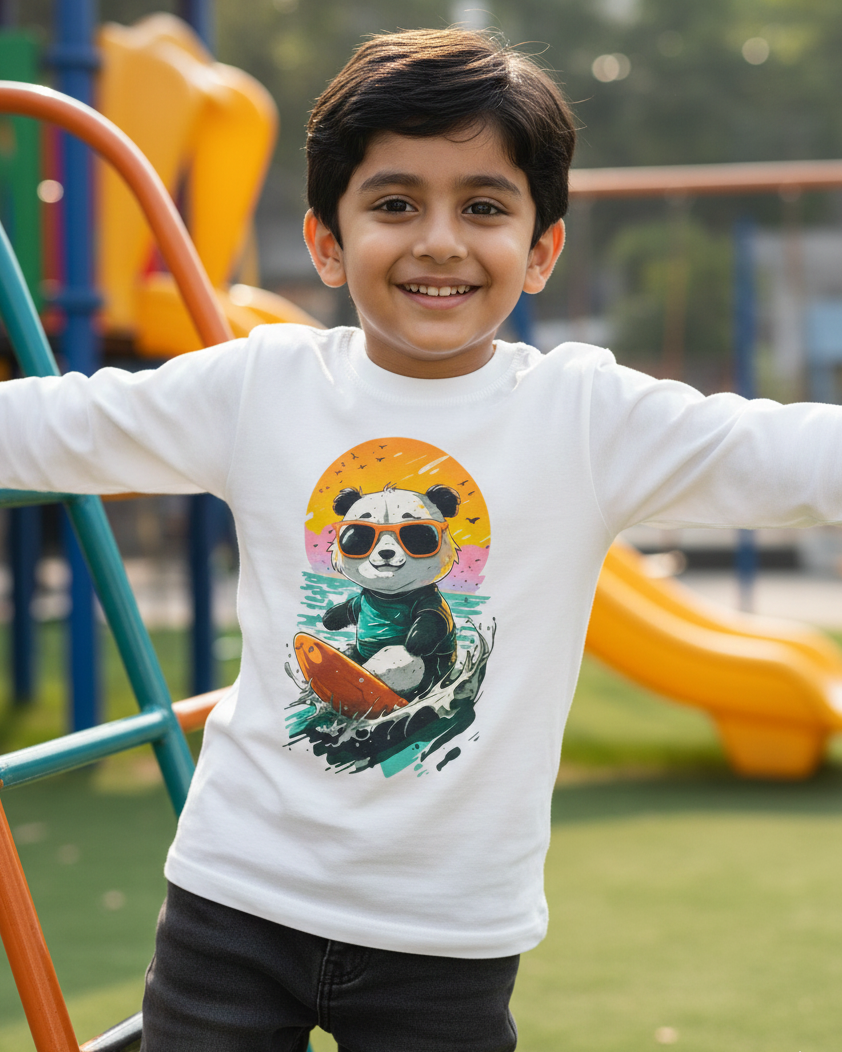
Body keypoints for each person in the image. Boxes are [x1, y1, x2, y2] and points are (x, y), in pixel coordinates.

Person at [2, 26, 842, 1052]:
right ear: (326, 241)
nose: (440, 240)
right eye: (395, 203)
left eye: (483, 207)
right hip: (237, 894)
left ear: (540, 250)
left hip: (447, 930)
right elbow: (56, 425)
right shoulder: (260, 386)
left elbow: (793, 454)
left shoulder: (585, 417)